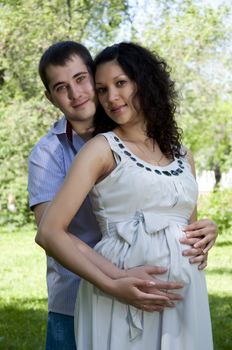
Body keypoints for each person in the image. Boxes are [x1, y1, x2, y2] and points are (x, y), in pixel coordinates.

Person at [30, 41, 216, 350]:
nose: (110, 96)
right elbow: (49, 232)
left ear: (143, 82)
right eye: (103, 89)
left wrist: (207, 233)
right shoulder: (89, 150)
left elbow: (184, 226)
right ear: (51, 97)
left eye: (120, 84)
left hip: (182, 297)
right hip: (101, 291)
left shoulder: (183, 154)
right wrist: (116, 282)